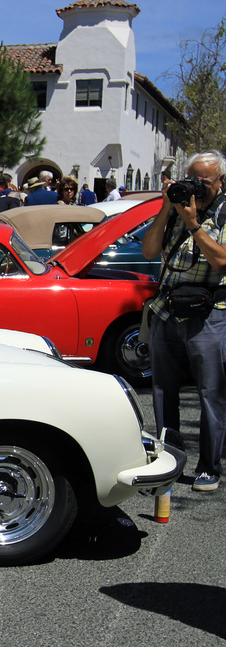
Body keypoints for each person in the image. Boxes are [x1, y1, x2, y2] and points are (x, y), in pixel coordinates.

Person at [141, 150, 226, 492]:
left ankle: (209, 467)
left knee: (211, 394)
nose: (197, 188)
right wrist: (166, 209)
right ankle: (168, 461)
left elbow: (221, 261)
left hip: (210, 314)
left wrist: (193, 224)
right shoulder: (176, 207)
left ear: (220, 182)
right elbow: (149, 251)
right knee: (162, 391)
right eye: (192, 179)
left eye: (204, 182)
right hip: (167, 308)